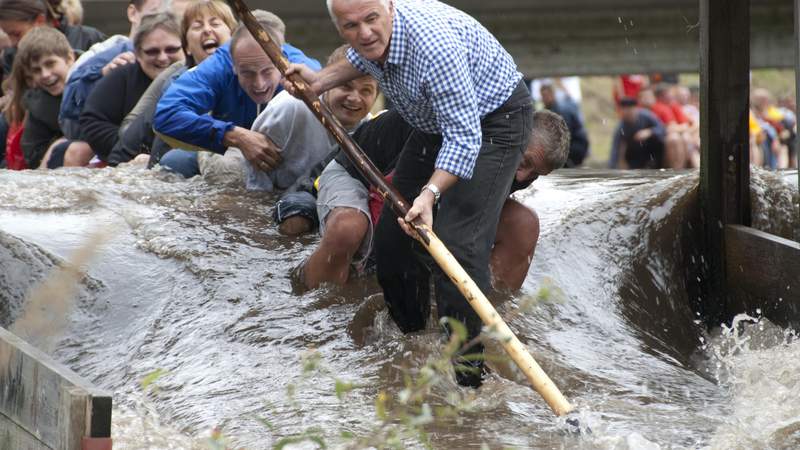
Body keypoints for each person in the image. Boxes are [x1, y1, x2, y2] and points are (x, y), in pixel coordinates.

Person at [286, 0, 533, 388]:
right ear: (339, 26)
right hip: (434, 123)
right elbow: (363, 56)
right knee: (393, 238)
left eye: (371, 20)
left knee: (456, 243)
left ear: (390, 8)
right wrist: (318, 81)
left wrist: (429, 194)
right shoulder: (372, 40)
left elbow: (465, 138)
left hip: (493, 125)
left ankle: (468, 378)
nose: (364, 32)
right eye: (350, 26)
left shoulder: (434, 49)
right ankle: (413, 341)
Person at [303, 109, 569, 292]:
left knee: (524, 225)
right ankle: (314, 292)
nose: (522, 176)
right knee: (349, 228)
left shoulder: (520, 172)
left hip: (432, 194)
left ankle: (478, 318)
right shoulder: (456, 130)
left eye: (535, 174)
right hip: (364, 174)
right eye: (524, 162)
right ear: (513, 138)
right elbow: (394, 195)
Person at [152, 10, 321, 178]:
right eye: (247, 73)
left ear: (282, 60)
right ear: (233, 63)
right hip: (229, 146)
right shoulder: (218, 66)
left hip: (287, 152)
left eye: (267, 71)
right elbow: (166, 115)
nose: (259, 84)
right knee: (173, 162)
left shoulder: (301, 68)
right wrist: (235, 136)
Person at [243, 45, 378, 236]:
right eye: (346, 86)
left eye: (366, 91)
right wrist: (257, 212)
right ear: (328, 84)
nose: (354, 98)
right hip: (275, 189)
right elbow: (253, 163)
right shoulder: (291, 107)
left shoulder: (371, 129)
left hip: (318, 192)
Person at [107, 0, 238, 166]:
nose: (207, 30)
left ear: (234, 39)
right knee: (175, 160)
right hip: (178, 170)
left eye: (215, 23)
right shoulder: (176, 83)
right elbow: (133, 144)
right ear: (187, 47)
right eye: (197, 26)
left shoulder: (250, 74)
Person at [78, 12, 184, 162]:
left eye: (171, 49)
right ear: (138, 54)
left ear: (186, 47)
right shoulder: (120, 77)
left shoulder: (199, 76)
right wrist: (131, 147)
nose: (162, 57)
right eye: (152, 51)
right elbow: (93, 122)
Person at [59, 0, 165, 140]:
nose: (162, 57)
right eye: (155, 14)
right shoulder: (109, 53)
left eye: (172, 16)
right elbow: (69, 110)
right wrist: (103, 75)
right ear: (133, 13)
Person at [10, 27, 92, 168]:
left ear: (70, 58)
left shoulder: (96, 77)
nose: (45, 74)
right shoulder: (38, 105)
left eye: (50, 64)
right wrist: (60, 141)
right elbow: (33, 154)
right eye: (37, 70)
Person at [540, 82, 588, 167]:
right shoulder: (547, 111)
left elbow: (565, 133)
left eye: (546, 95)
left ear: (552, 94)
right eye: (542, 96)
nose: (544, 99)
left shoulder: (562, 111)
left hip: (576, 145)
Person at [611, 97, 667, 169]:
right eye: (625, 110)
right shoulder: (621, 127)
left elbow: (662, 128)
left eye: (630, 109)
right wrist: (613, 167)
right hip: (635, 155)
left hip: (653, 149)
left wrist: (649, 132)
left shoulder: (646, 115)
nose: (629, 113)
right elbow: (615, 149)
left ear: (636, 109)